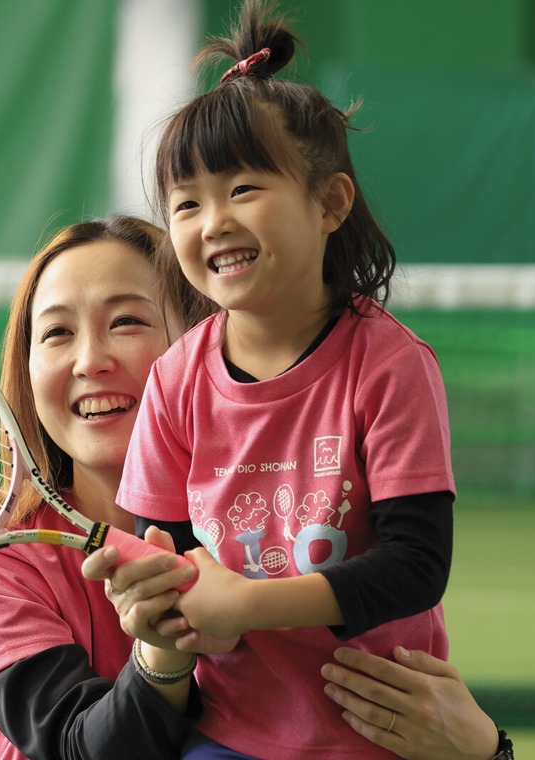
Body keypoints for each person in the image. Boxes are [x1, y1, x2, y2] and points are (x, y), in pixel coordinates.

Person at [0, 214, 512, 759]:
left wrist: (484, 751)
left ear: (204, 342)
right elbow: (80, 748)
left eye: (127, 321)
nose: (90, 361)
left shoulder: (296, 544)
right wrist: (164, 652)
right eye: (56, 332)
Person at [111, 1, 457, 757]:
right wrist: (156, 597)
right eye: (186, 204)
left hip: (380, 731)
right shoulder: (174, 380)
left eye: (242, 189)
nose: (213, 222)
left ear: (330, 203)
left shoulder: (390, 365)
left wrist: (247, 605)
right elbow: (168, 552)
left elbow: (416, 567)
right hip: (228, 732)